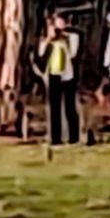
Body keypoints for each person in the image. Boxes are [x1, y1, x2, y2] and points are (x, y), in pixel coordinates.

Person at [40, 10, 81, 146]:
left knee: (70, 106)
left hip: (68, 75)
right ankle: (56, 138)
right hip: (53, 74)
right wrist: (48, 39)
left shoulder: (72, 36)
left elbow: (74, 53)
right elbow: (40, 53)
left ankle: (73, 137)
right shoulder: (49, 40)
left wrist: (65, 37)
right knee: (55, 108)